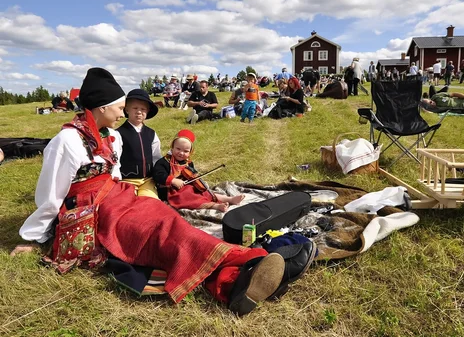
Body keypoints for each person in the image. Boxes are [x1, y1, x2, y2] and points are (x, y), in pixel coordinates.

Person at [12, 67, 314, 316]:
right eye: (120, 108)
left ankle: (234, 279)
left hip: (121, 197)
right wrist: (38, 237)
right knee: (161, 231)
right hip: (97, 213)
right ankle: (251, 262)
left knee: (171, 221)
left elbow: (115, 176)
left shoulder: (110, 138)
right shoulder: (66, 142)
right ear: (102, 107)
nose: (122, 113)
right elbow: (50, 195)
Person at [153, 129, 244, 211]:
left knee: (203, 191)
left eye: (186, 151)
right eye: (178, 149)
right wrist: (173, 180)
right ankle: (214, 206)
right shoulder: (164, 162)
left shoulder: (188, 163)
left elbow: (192, 175)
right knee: (190, 194)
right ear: (172, 148)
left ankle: (229, 199)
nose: (181, 153)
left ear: (190, 152)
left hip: (186, 187)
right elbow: (158, 175)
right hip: (170, 191)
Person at [116, 89, 161, 199]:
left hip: (147, 181)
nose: (139, 112)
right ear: (127, 109)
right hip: (126, 181)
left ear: (147, 111)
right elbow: (115, 160)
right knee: (126, 203)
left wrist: (159, 174)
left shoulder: (151, 134)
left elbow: (156, 157)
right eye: (135, 108)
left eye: (143, 109)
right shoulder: (118, 133)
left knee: (151, 203)